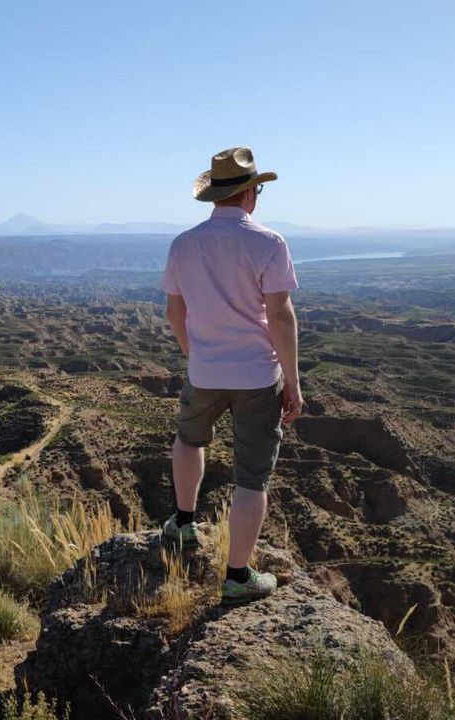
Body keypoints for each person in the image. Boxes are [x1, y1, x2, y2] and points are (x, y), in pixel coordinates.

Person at [160, 146, 303, 605]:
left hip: (204, 371)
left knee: (189, 439)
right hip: (257, 376)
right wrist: (293, 382)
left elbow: (175, 311)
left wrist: (195, 354)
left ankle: (184, 523)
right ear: (249, 193)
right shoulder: (269, 243)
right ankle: (237, 576)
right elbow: (280, 317)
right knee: (251, 478)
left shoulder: (183, 244)